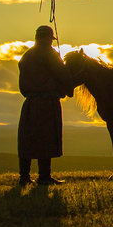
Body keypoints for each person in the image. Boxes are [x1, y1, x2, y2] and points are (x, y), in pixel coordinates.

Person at [17, 25, 74, 186]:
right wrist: (67, 88)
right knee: (47, 137)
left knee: (27, 138)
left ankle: (24, 177)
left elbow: (23, 84)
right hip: (48, 103)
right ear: (48, 38)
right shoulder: (50, 54)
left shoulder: (26, 56)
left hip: (30, 102)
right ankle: (44, 176)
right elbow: (62, 74)